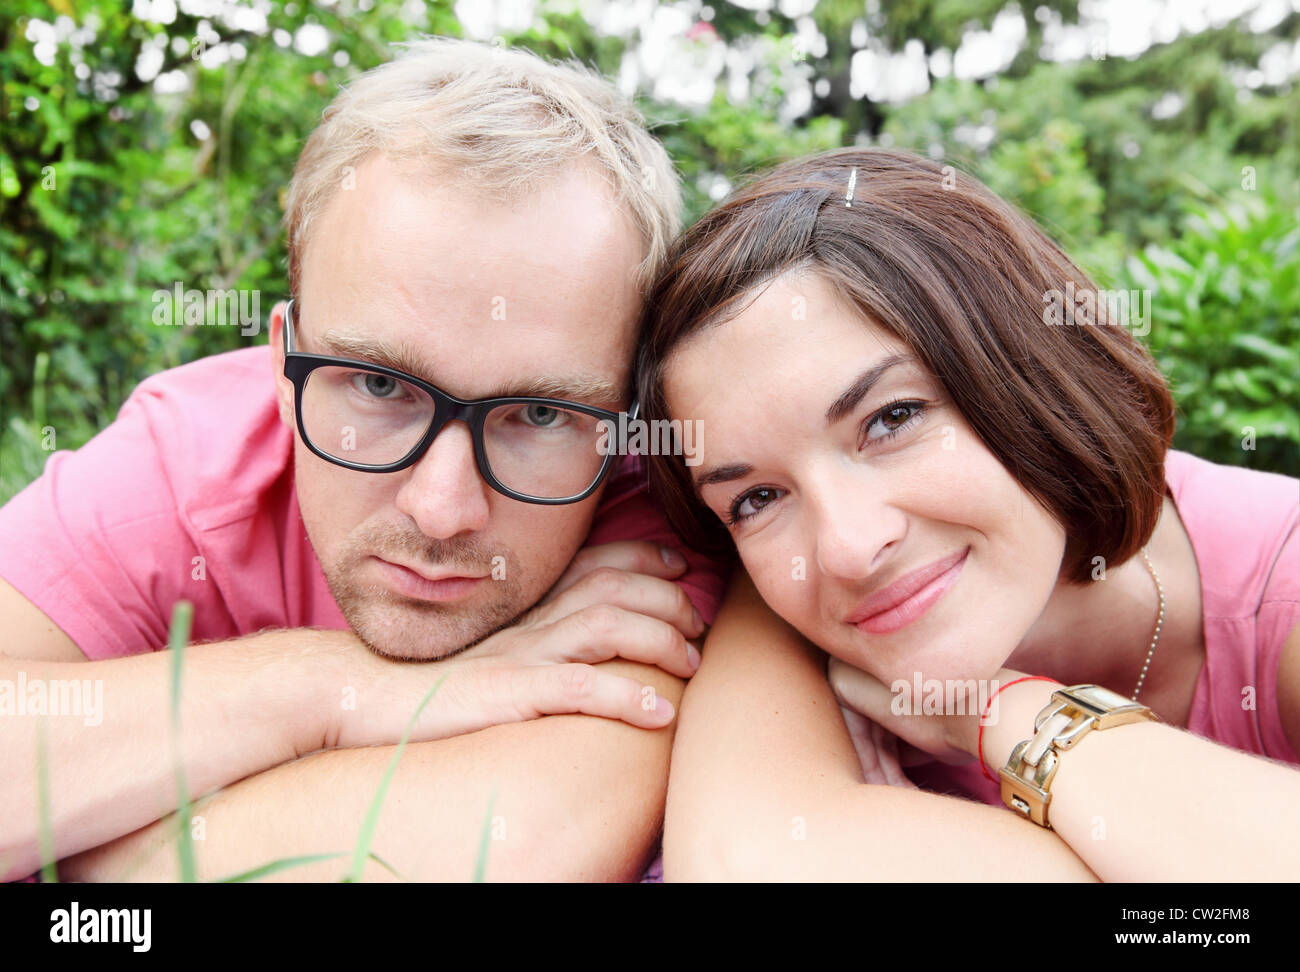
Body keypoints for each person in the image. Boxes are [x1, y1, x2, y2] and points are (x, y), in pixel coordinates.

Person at [0, 38, 729, 883]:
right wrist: (324, 685)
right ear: (282, 363)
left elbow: (510, 848)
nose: (442, 508)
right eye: (380, 387)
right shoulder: (182, 466)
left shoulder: (653, 515)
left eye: (537, 414)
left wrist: (79, 838)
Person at [635, 146, 1300, 880]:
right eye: (757, 499)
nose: (849, 549)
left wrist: (1010, 717)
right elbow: (748, 863)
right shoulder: (775, 618)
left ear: (1029, 371)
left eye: (890, 420)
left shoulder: (1281, 582)